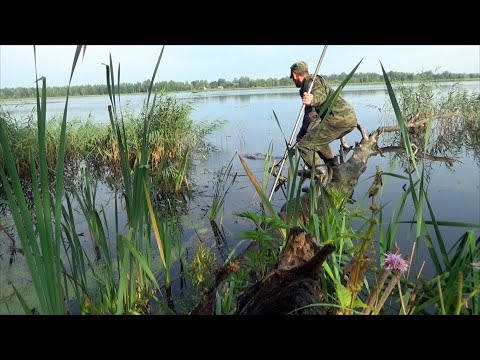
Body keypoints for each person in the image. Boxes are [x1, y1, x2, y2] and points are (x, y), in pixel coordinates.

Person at [290, 61, 357, 182]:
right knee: (315, 138)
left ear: (294, 75)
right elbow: (310, 117)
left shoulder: (311, 82)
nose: (293, 81)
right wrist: (302, 133)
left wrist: (312, 99)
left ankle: (322, 178)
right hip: (348, 118)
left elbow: (320, 95)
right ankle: (335, 175)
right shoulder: (311, 82)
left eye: (292, 78)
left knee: (304, 146)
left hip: (338, 118)